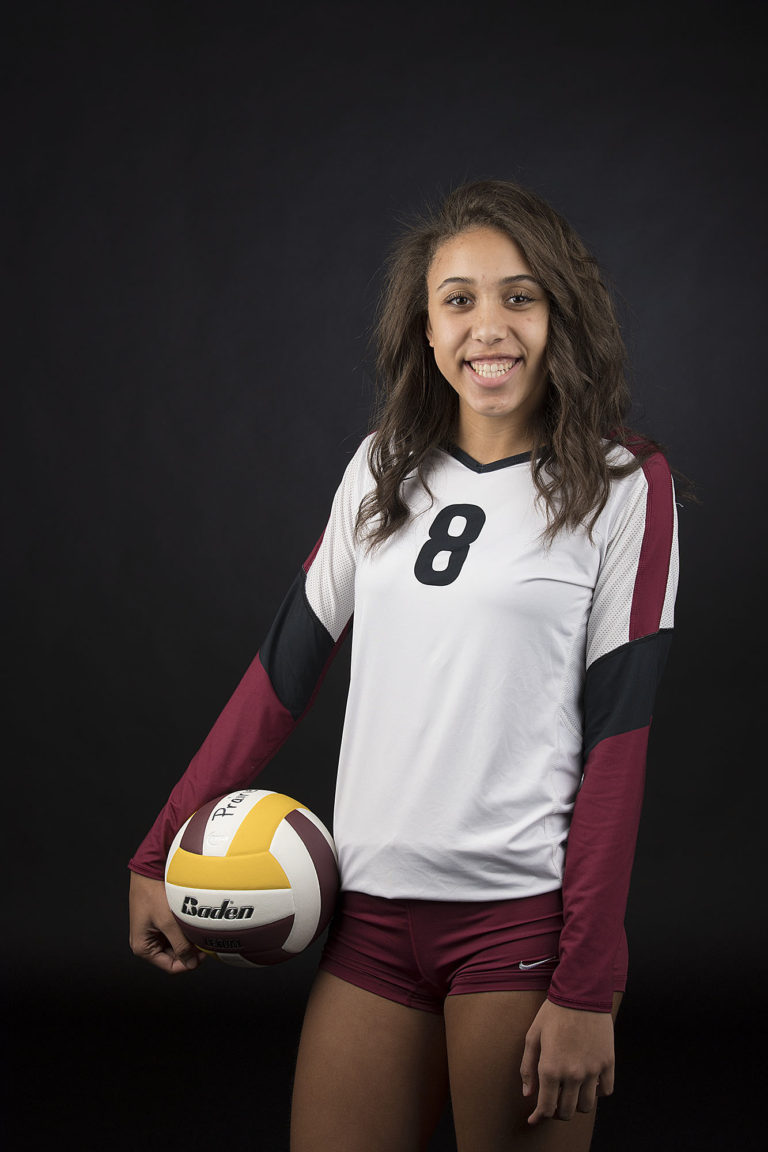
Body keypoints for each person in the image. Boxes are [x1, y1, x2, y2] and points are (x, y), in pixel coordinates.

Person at [129, 179, 678, 1151]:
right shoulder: (381, 467)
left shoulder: (627, 484)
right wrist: (161, 847)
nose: (488, 325)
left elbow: (619, 744)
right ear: (426, 331)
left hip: (522, 926)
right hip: (370, 919)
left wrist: (587, 983)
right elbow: (278, 678)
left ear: (561, 315)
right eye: (457, 299)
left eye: (520, 294)